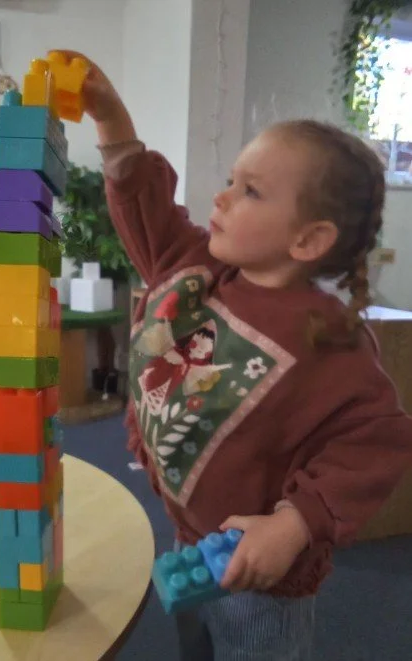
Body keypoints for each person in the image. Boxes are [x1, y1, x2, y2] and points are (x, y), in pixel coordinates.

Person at [53, 51, 412, 660]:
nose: (221, 198)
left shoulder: (329, 340)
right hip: (189, 532)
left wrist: (294, 524)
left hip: (259, 568)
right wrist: (112, 120)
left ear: (307, 239)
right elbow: (149, 215)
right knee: (196, 640)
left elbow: (374, 443)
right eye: (229, 180)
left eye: (250, 191)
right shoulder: (200, 269)